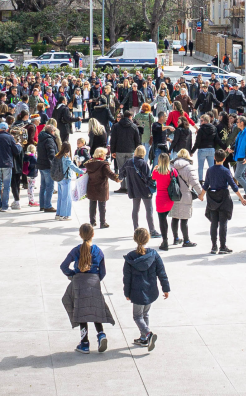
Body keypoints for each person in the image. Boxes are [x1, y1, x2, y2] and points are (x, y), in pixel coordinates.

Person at [61, 223, 115, 354]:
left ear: (80, 235)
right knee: (95, 309)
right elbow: (103, 272)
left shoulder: (76, 250)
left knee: (82, 312)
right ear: (93, 234)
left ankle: (84, 343)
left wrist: (73, 275)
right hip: (94, 282)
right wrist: (95, 280)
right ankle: (101, 334)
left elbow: (64, 266)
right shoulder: (98, 251)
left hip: (79, 283)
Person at [123, 228, 170, 350]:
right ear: (148, 238)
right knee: (145, 314)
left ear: (135, 239)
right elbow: (162, 273)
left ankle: (148, 334)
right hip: (150, 291)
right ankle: (143, 339)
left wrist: (127, 293)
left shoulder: (130, 258)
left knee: (137, 316)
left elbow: (127, 278)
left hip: (136, 293)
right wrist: (166, 289)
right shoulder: (154, 255)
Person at [204, 150, 240, 254]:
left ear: (214, 158)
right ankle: (223, 246)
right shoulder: (225, 170)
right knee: (223, 223)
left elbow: (206, 185)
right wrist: (242, 198)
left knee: (214, 223)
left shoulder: (209, 170)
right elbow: (233, 185)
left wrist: (201, 195)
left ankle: (214, 246)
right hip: (224, 197)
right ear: (224, 159)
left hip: (212, 197)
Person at [168, 148, 204, 247]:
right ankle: (186, 240)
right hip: (185, 195)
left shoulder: (171, 166)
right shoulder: (189, 167)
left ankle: (175, 238)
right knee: (184, 219)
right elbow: (195, 182)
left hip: (174, 195)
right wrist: (201, 193)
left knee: (174, 217)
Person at [110, 109, 141, 195]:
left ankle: (123, 187)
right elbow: (137, 140)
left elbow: (113, 140)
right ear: (130, 117)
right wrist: (136, 151)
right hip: (131, 151)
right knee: (130, 169)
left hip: (119, 150)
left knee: (121, 169)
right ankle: (129, 187)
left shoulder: (116, 126)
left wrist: (113, 151)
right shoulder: (134, 126)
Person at [55, 142, 84, 221]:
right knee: (66, 197)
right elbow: (73, 167)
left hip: (59, 178)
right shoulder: (66, 157)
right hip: (66, 178)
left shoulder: (58, 156)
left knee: (60, 197)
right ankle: (64, 215)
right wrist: (82, 172)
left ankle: (58, 213)